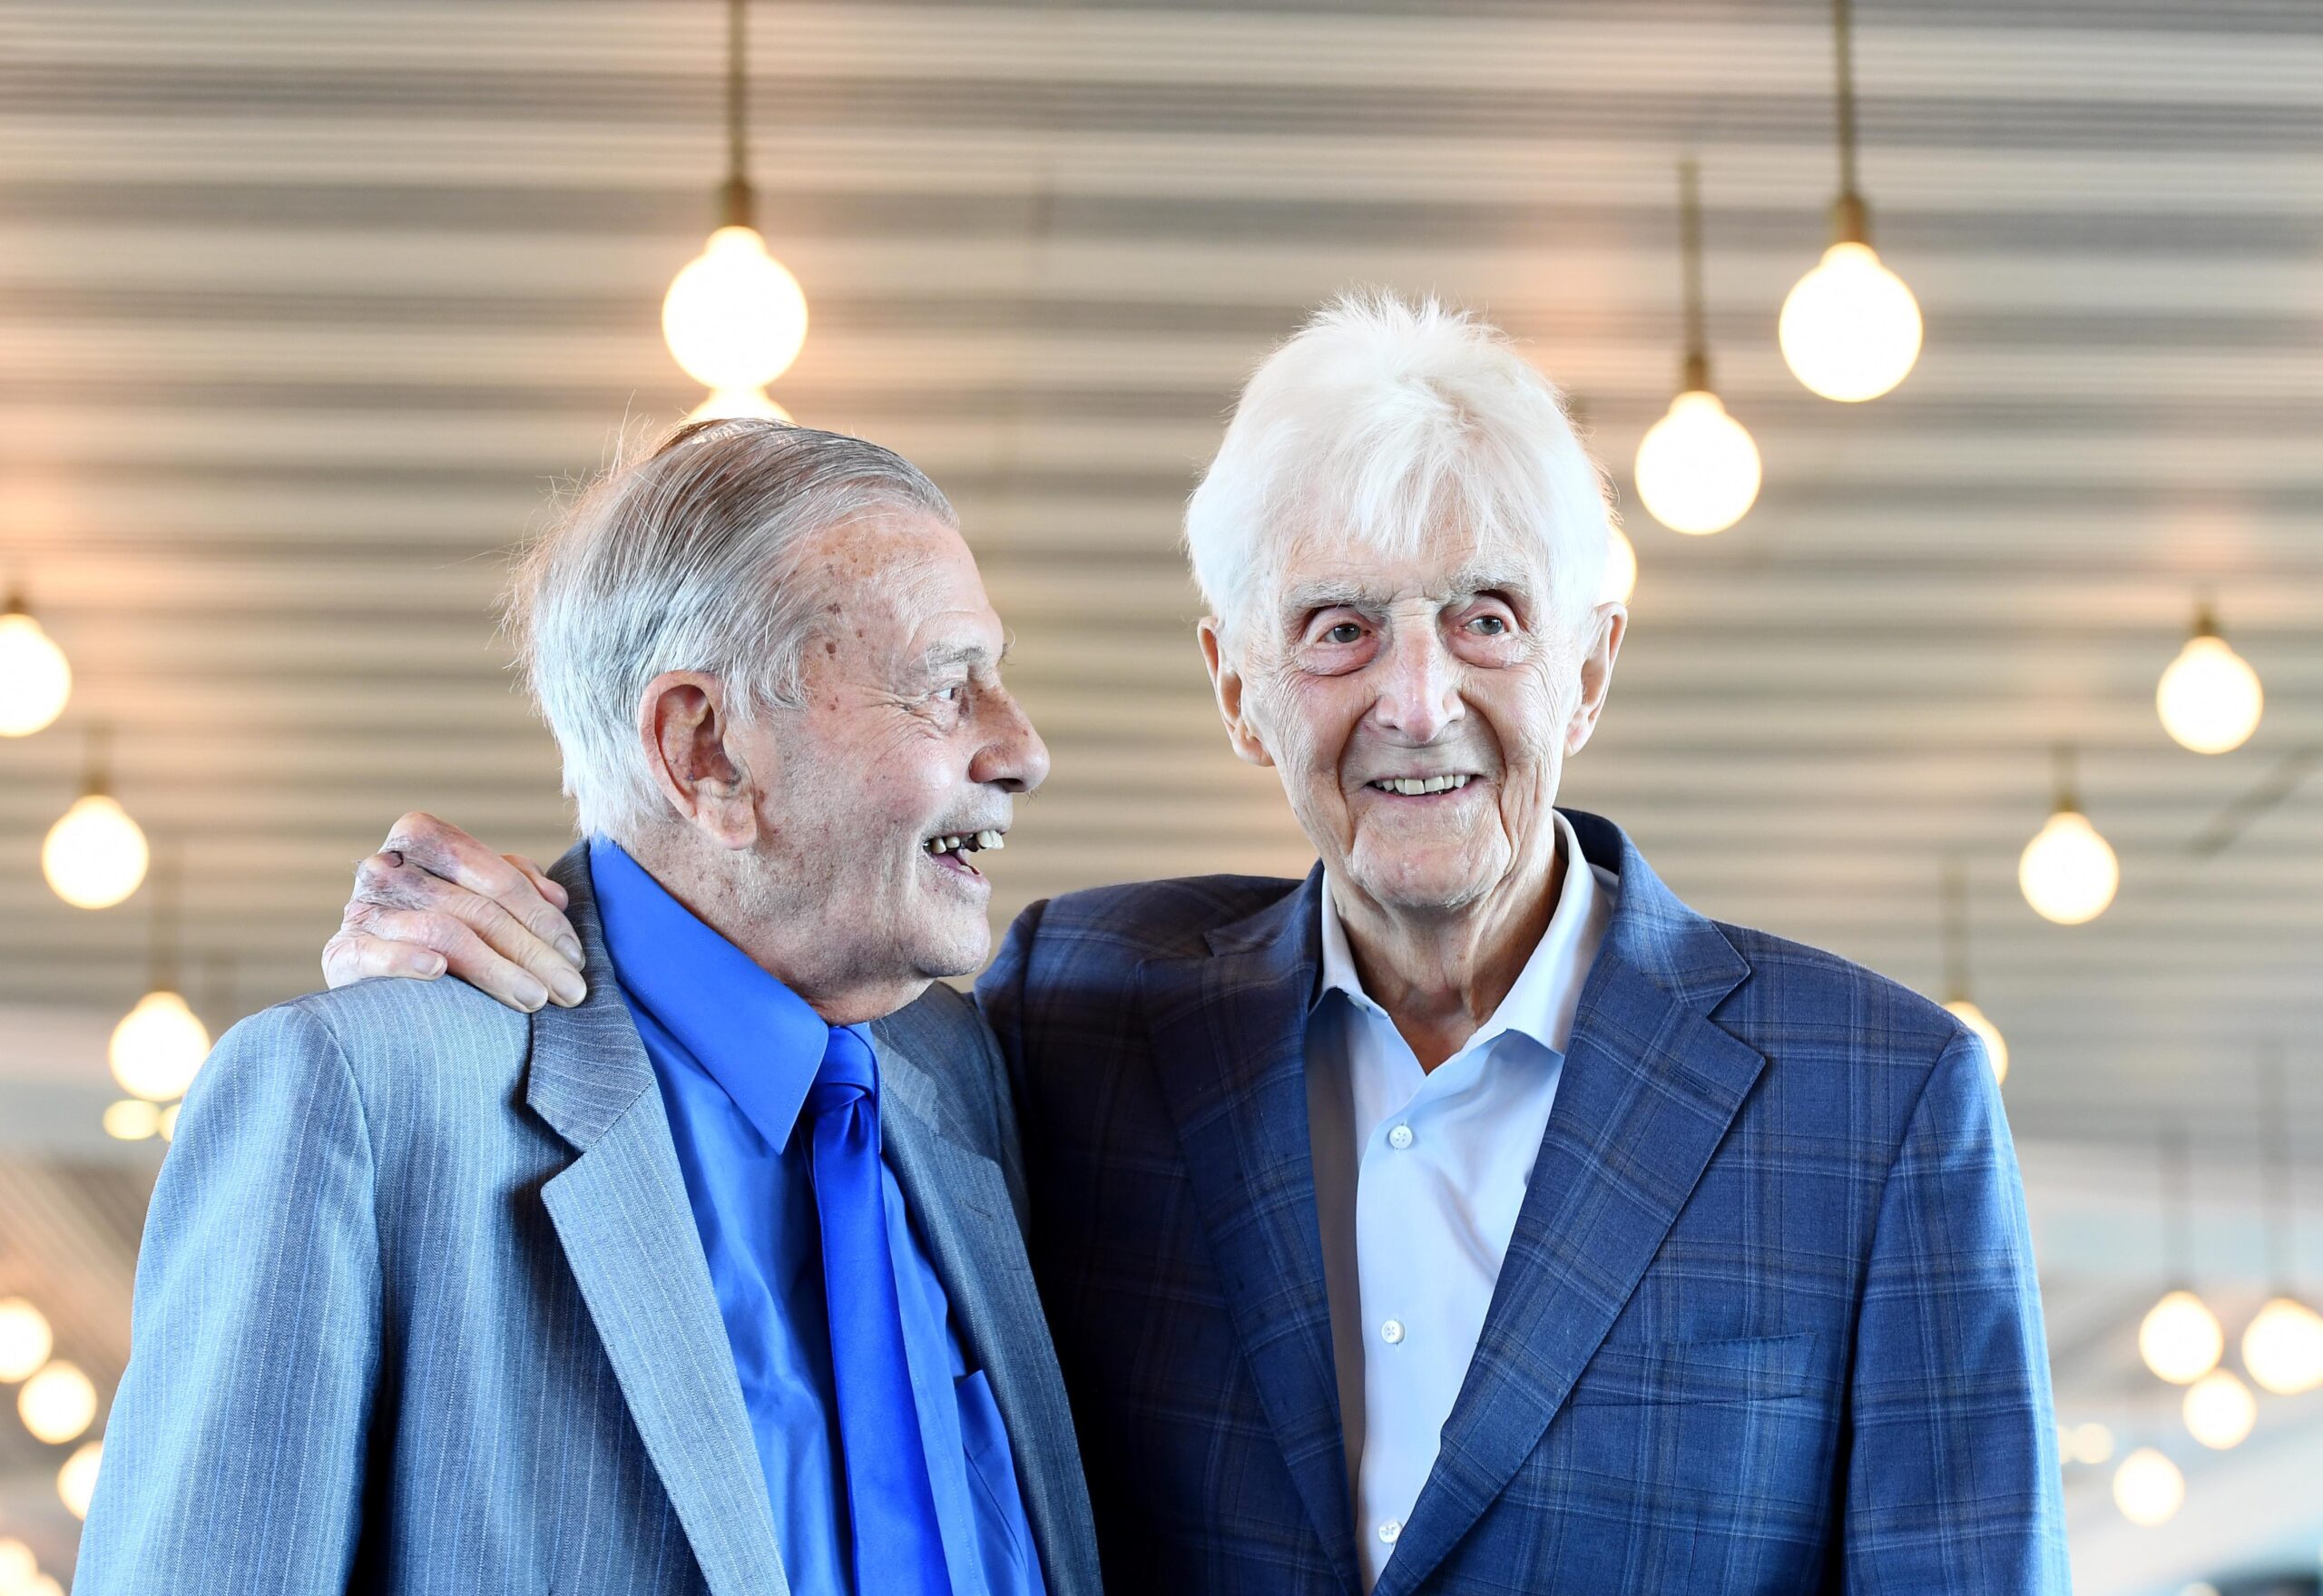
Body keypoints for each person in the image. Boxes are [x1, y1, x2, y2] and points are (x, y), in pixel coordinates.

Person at [317, 293, 2069, 1594]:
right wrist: (483, 958)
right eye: (1336, 630)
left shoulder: (1879, 1100)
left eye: (1486, 617)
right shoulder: (1073, 1016)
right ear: (1238, 690)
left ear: (1589, 663)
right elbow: (752, 964)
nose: (1416, 701)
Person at [77, 424, 1101, 1596]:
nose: (1022, 749)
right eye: (944, 687)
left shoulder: (967, 1083)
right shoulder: (364, 1101)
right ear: (704, 749)